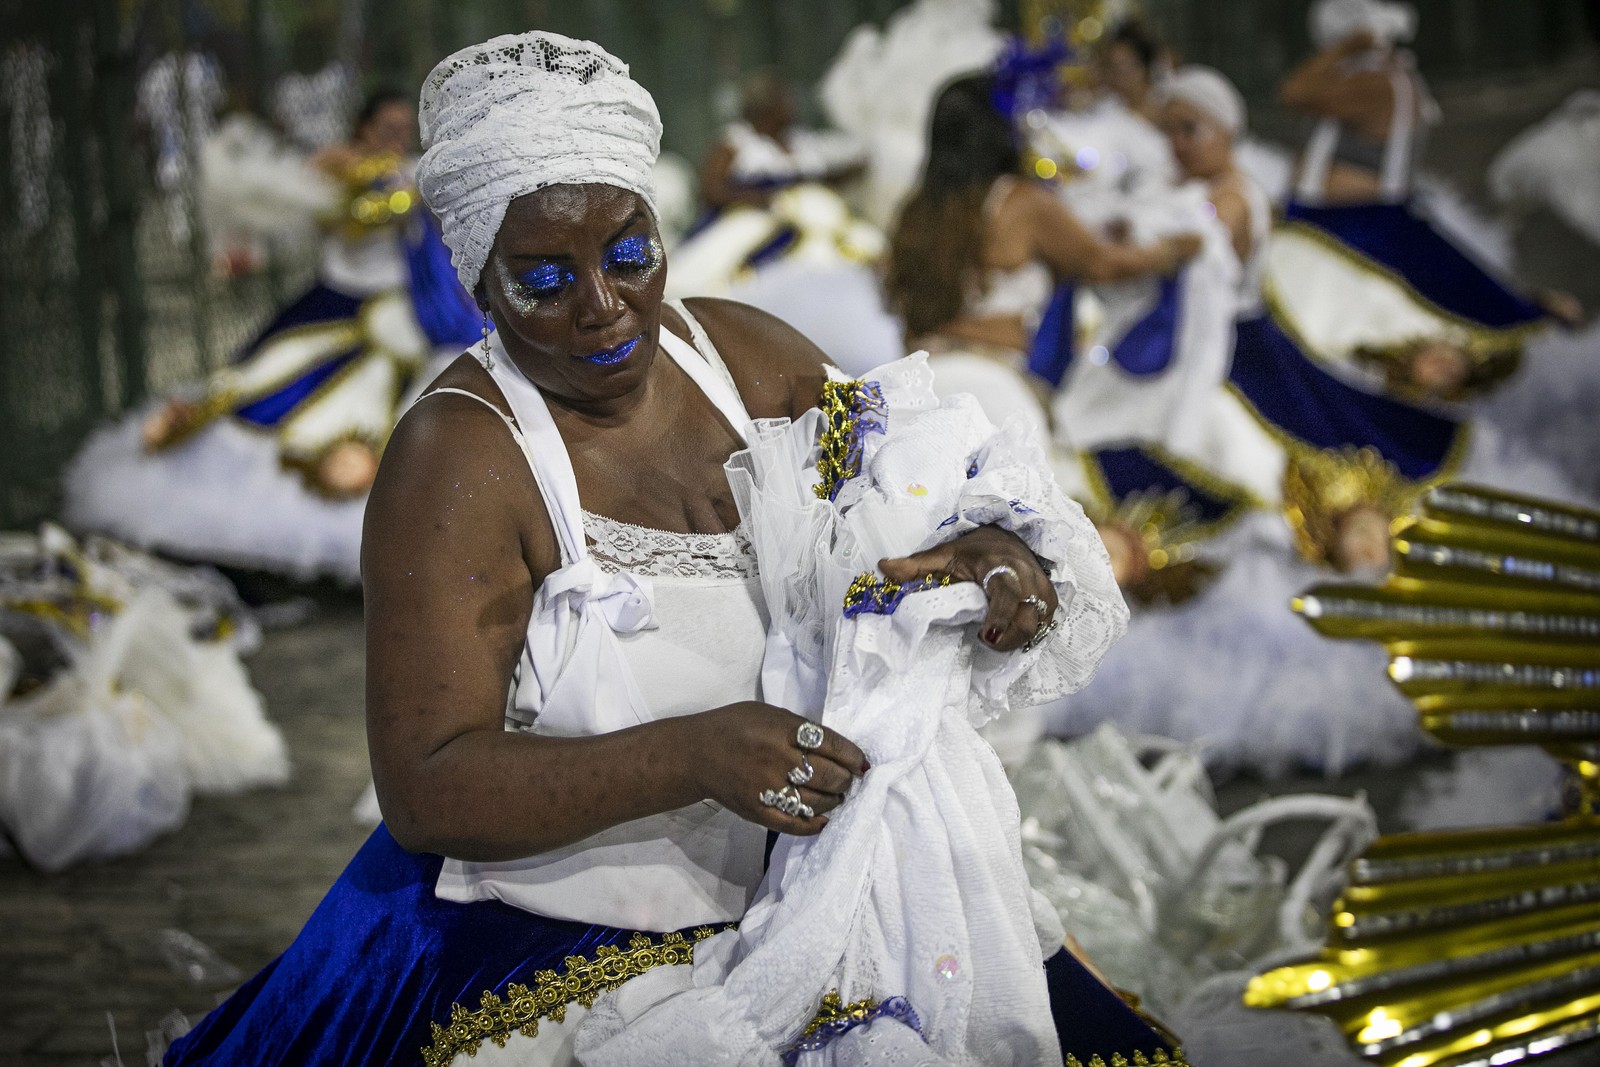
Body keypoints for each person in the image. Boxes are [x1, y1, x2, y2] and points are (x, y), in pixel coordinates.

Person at [163, 31, 1184, 1067]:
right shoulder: (458, 458)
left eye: (629, 255)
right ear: (478, 284)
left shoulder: (747, 357)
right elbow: (427, 786)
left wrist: (996, 550)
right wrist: (690, 754)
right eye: (544, 279)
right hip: (571, 930)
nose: (603, 307)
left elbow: (922, 495)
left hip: (831, 885)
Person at [65, 90, 481, 583]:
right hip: (335, 305)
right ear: (363, 128)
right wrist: (390, 192)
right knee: (266, 387)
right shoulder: (335, 167)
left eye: (402, 129)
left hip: (405, 316)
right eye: (385, 128)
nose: (395, 138)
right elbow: (346, 216)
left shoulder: (414, 170)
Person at [884, 72, 1199, 443]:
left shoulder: (914, 210)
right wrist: (1171, 250)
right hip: (995, 386)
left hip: (916, 381)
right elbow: (1102, 264)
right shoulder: (1021, 202)